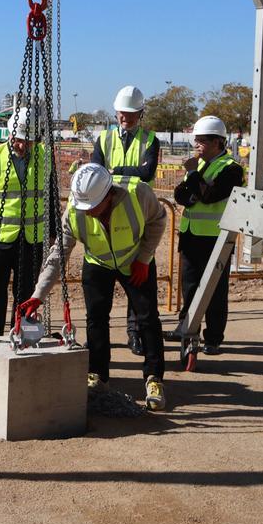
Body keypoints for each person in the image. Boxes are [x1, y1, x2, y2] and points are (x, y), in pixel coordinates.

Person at [21, 163, 169, 410]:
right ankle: (98, 375)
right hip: (98, 262)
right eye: (84, 207)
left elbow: (159, 220)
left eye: (93, 207)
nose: (88, 212)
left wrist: (144, 257)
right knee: (96, 318)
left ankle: (154, 378)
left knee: (147, 318)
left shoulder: (138, 193)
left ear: (109, 195)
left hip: (135, 261)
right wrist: (39, 295)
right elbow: (58, 254)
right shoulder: (75, 210)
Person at [91, 85, 160, 357]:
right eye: (122, 113)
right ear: (116, 112)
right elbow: (96, 170)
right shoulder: (104, 138)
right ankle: (100, 342)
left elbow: (147, 173)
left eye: (131, 114)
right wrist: (120, 173)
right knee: (104, 280)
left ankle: (135, 332)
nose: (126, 118)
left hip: (139, 212)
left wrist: (114, 171)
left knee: (137, 277)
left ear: (140, 114)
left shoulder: (150, 139)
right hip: (108, 211)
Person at [172, 115, 245, 355]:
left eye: (202, 141)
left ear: (218, 142)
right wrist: (194, 187)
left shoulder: (231, 169)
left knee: (215, 289)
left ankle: (213, 337)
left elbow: (210, 196)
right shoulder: (200, 165)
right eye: (196, 140)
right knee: (190, 286)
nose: (197, 145)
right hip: (191, 235)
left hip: (216, 239)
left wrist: (194, 179)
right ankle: (186, 326)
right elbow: (181, 194)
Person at [0, 107, 46, 337]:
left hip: (31, 238)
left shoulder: (44, 156)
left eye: (29, 141)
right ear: (10, 134)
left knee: (25, 293)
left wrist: (53, 232)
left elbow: (50, 196)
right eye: (19, 140)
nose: (23, 146)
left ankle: (21, 335)